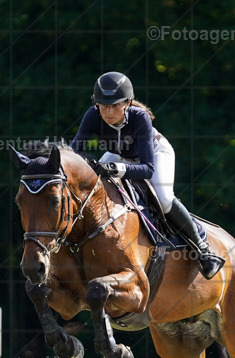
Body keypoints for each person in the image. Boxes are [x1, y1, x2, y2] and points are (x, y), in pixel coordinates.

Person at [71, 71, 225, 279]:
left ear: (128, 103)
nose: (108, 112)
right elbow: (75, 152)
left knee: (163, 198)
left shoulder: (139, 117)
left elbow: (147, 169)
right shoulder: (92, 114)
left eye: (115, 105)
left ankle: (203, 249)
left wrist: (117, 170)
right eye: (103, 105)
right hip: (120, 157)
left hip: (155, 154)